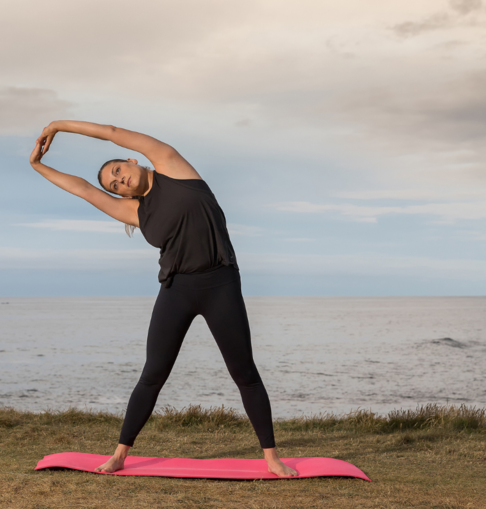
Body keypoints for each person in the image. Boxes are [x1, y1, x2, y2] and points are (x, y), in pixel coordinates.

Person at [29, 120, 297, 477]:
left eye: (118, 171)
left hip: (221, 285)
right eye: (113, 184)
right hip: (176, 290)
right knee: (153, 374)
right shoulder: (135, 211)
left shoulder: (171, 164)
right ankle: (120, 454)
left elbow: (110, 132)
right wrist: (38, 165)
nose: (118, 180)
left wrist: (58, 125)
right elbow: (82, 189)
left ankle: (271, 458)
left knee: (244, 373)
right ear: (120, 195)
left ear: (132, 161)